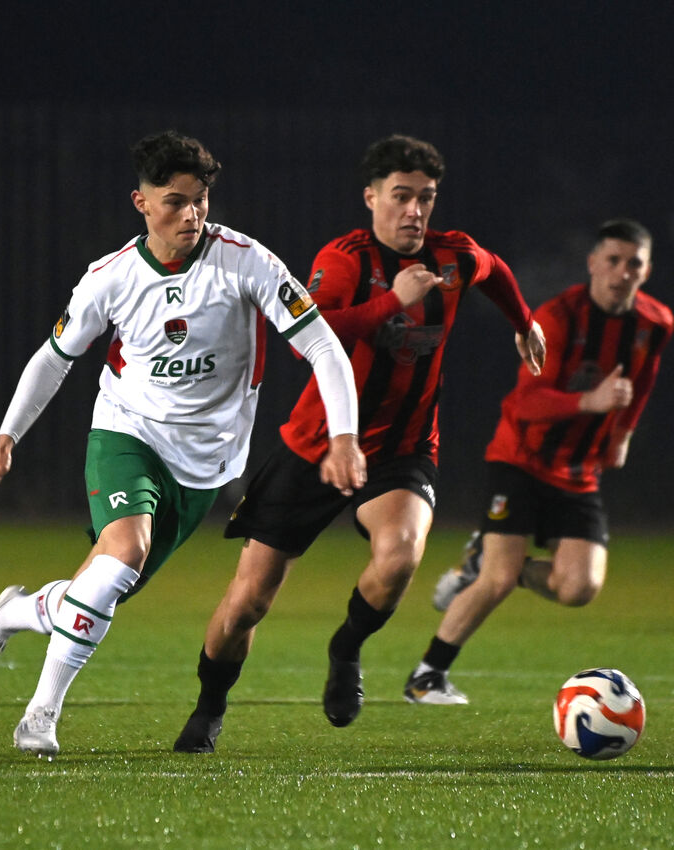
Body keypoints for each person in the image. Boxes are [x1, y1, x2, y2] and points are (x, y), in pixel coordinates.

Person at [0, 130, 365, 759]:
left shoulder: (247, 261)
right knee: (122, 554)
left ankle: (14, 613)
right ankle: (40, 714)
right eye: (174, 201)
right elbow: (53, 358)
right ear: (140, 202)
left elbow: (323, 345)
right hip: (127, 431)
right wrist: (5, 439)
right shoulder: (109, 279)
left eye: (199, 200)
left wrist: (344, 436)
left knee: (103, 588)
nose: (191, 214)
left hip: (206, 464)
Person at [172, 134, 546, 752]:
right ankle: (210, 705)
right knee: (247, 604)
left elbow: (496, 270)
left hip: (401, 451)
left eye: (425, 198)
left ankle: (345, 650)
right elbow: (306, 335)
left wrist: (523, 320)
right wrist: (389, 306)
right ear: (371, 198)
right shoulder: (346, 260)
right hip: (315, 446)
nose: (414, 211)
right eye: (401, 196)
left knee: (401, 556)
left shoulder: (453, 257)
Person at [403, 218, 673, 705]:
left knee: (579, 588)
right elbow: (524, 405)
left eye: (634, 263)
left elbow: (643, 378)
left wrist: (624, 432)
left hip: (578, 470)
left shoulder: (655, 323)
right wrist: (591, 403)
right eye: (612, 260)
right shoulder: (558, 317)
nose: (622, 272)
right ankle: (426, 677)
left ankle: (481, 561)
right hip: (521, 460)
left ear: (647, 270)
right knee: (499, 581)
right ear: (593, 263)